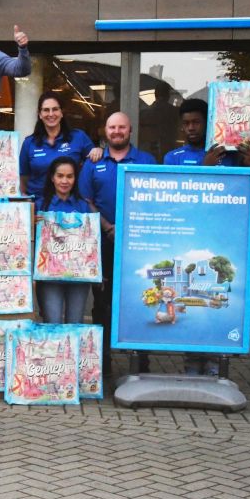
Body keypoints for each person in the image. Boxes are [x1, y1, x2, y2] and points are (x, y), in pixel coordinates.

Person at [164, 98, 250, 375]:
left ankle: (217, 364)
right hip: (189, 242)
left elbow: (245, 197)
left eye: (196, 122)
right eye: (186, 123)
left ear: (209, 123)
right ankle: (191, 363)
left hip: (226, 243)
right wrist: (204, 169)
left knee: (218, 304)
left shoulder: (232, 157)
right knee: (192, 305)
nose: (190, 128)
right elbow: (173, 199)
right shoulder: (173, 158)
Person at [79, 112, 156, 376]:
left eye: (121, 127)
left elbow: (154, 200)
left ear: (130, 130)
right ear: (105, 131)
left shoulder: (146, 161)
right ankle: (103, 365)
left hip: (138, 244)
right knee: (102, 303)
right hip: (103, 242)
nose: (117, 131)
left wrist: (129, 229)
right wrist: (108, 227)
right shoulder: (94, 162)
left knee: (141, 298)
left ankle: (140, 364)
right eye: (112, 127)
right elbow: (86, 200)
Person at [36, 156, 99, 324]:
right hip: (49, 278)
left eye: (69, 176)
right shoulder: (40, 206)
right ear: (52, 177)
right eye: (60, 176)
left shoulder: (84, 207)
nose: (65, 181)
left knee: (75, 324)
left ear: (75, 178)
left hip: (79, 276)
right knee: (52, 323)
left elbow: (94, 242)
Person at [19, 93, 102, 203]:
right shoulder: (29, 143)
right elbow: (23, 179)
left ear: (62, 112)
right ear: (40, 114)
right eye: (46, 110)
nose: (51, 114)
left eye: (55, 109)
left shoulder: (78, 137)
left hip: (70, 206)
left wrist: (99, 150)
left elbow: (94, 166)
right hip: (38, 206)